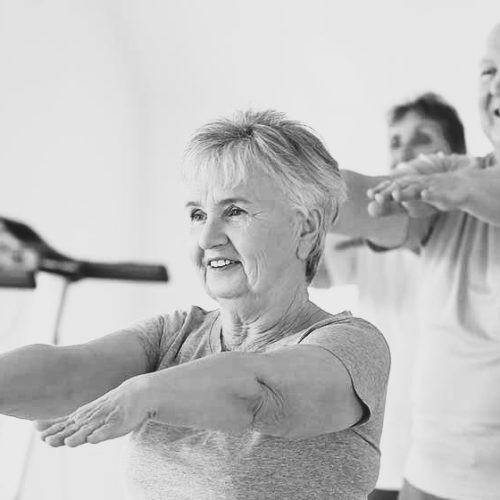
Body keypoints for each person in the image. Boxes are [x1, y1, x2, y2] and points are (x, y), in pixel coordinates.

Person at [0, 110, 390, 499]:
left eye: (234, 211)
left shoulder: (351, 346)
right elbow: (70, 371)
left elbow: (255, 392)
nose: (207, 237)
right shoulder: (174, 336)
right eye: (198, 214)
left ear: (305, 227)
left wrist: (143, 395)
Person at [329, 24, 500, 500]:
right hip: (426, 474)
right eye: (489, 70)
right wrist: (276, 193)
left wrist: (463, 190)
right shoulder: (446, 181)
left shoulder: (457, 184)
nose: (497, 84)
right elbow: (365, 196)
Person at [313, 93, 467, 500]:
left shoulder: (474, 234)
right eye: (396, 142)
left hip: (459, 463)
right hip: (383, 454)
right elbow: (308, 270)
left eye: (421, 139)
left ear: (454, 155)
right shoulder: (370, 237)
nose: (405, 153)